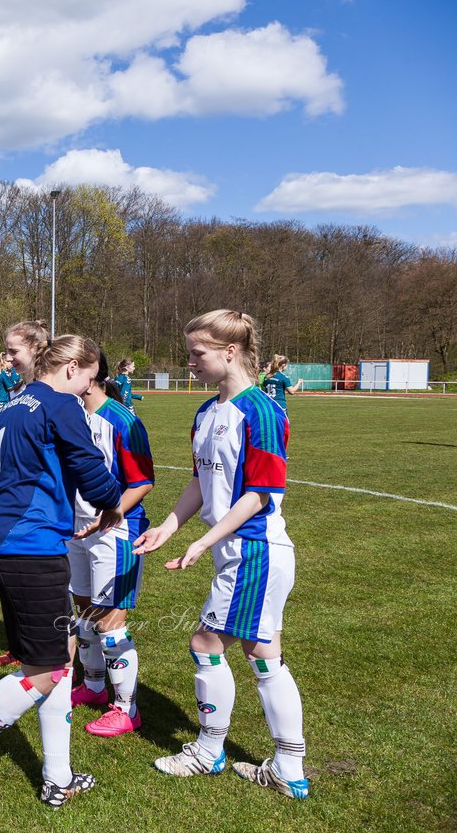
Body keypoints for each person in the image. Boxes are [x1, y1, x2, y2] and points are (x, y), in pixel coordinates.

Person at [0, 329, 123, 807]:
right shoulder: (62, 403)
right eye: (90, 379)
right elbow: (92, 470)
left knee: (54, 659)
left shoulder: (14, 403)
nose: (89, 390)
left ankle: (58, 775)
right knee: (46, 670)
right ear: (73, 369)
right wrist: (116, 504)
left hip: (4, 537)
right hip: (29, 543)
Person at [133, 310, 309, 800]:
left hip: (254, 549)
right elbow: (200, 481)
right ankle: (288, 767)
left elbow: (260, 494)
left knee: (207, 644)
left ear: (230, 352)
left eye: (198, 354)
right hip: (238, 549)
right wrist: (171, 526)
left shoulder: (263, 410)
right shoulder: (207, 411)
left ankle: (210, 751)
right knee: (264, 653)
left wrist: (204, 541)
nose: (189, 363)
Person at [68, 352, 155, 738]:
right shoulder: (69, 415)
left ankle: (126, 708)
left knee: (110, 622)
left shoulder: (122, 419)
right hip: (77, 528)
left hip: (115, 530)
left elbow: (143, 480)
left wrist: (112, 513)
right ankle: (94, 685)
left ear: (88, 376)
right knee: (83, 612)